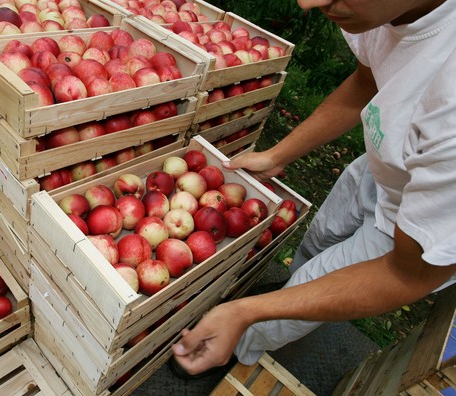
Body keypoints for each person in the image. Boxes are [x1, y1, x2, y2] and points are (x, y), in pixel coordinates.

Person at [171, 0, 456, 376]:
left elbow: (408, 274)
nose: (309, 3)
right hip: (386, 166)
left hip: (417, 225)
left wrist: (245, 312)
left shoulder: (449, 108)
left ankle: (240, 343)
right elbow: (366, 81)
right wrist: (279, 155)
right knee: (318, 240)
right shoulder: (381, 11)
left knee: (300, 292)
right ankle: (288, 293)